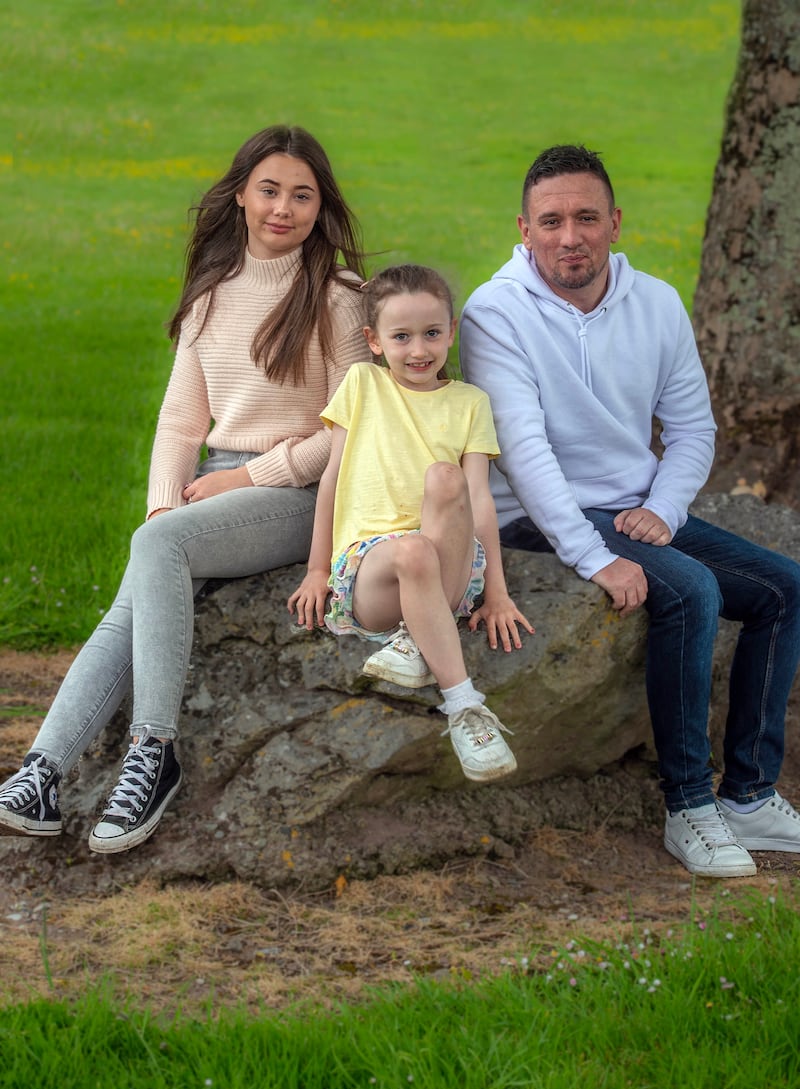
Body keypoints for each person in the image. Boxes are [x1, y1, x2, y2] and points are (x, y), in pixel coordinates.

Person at [0, 124, 371, 853]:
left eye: (302, 195)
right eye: (269, 190)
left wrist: (244, 476)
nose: (283, 208)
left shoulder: (338, 297)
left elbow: (353, 430)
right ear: (240, 195)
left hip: (306, 492)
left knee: (158, 550)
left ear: (320, 206)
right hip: (214, 494)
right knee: (141, 580)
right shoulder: (210, 295)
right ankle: (42, 771)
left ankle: (153, 750)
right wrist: (164, 507)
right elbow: (179, 422)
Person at [459, 143, 800, 878]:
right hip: (537, 520)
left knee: (784, 588)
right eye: (550, 221)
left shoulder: (657, 304)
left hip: (634, 506)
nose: (569, 236)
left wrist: (666, 509)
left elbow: (692, 430)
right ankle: (689, 808)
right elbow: (521, 450)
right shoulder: (492, 314)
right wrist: (595, 556)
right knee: (692, 588)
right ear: (523, 229)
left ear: (616, 222)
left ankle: (748, 792)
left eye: (586, 217)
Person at [288, 264, 533, 782]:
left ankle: (415, 643)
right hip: (372, 568)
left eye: (431, 333)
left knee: (447, 480)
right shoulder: (362, 385)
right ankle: (464, 706)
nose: (418, 349)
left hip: (449, 568)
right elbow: (331, 478)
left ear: (451, 333)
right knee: (412, 551)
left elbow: (479, 502)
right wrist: (314, 570)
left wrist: (498, 593)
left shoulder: (470, 403)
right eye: (401, 337)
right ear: (373, 341)